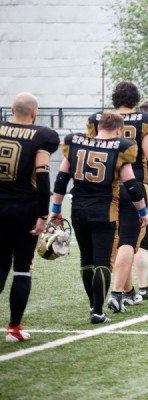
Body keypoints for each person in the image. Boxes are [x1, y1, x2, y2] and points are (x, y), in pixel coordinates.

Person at [86, 81, 148, 312]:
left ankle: (128, 291)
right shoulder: (144, 121)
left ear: (114, 98)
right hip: (135, 185)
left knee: (113, 243)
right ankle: (117, 293)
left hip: (103, 188)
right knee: (128, 242)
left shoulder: (97, 119)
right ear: (135, 100)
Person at [50, 111, 148, 324]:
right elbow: (132, 186)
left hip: (78, 209)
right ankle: (97, 311)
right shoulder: (121, 147)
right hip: (104, 210)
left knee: (86, 261)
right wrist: (143, 212)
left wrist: (56, 209)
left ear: (98, 126)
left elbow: (61, 179)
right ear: (118, 129)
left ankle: (92, 306)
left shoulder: (75, 143)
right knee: (102, 262)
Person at [0, 92, 60, 342]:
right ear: (34, 113)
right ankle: (14, 329)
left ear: (12, 110)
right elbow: (44, 176)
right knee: (22, 269)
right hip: (25, 210)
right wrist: (43, 214)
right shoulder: (42, 136)